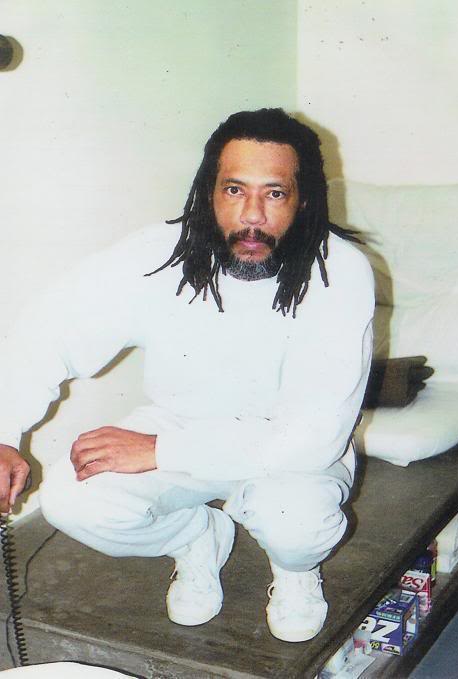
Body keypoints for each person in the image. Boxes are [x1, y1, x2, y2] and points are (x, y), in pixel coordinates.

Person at [0, 108, 374, 643]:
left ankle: (296, 571)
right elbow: (49, 332)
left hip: (288, 452)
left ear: (304, 200)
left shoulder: (341, 270)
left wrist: (160, 451)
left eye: (274, 194)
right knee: (72, 500)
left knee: (296, 525)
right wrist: (3, 433)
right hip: (181, 423)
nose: (251, 216)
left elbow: (313, 436)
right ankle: (197, 538)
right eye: (234, 190)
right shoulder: (157, 254)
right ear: (208, 192)